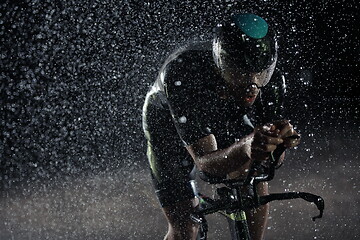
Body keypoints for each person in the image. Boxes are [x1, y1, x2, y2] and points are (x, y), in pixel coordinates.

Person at [142, 13, 300, 240]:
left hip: (221, 112)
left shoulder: (273, 82)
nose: (252, 87)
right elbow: (206, 164)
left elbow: (268, 162)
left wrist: (275, 146)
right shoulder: (183, 73)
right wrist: (246, 147)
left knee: (250, 174)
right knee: (185, 229)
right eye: (241, 73)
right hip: (166, 124)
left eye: (261, 74)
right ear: (221, 63)